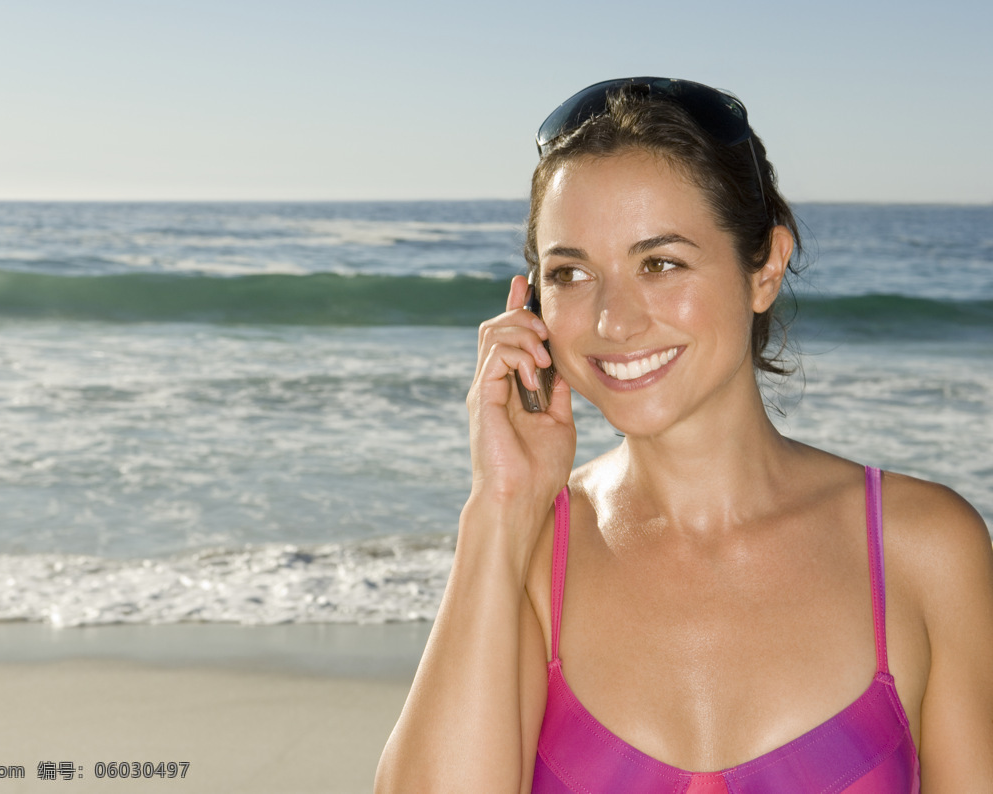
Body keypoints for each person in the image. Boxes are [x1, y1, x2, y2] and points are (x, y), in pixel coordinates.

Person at [375, 77, 993, 793]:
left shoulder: (921, 549)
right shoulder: (530, 550)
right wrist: (499, 504)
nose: (613, 320)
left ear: (764, 267)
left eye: (660, 263)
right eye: (571, 273)